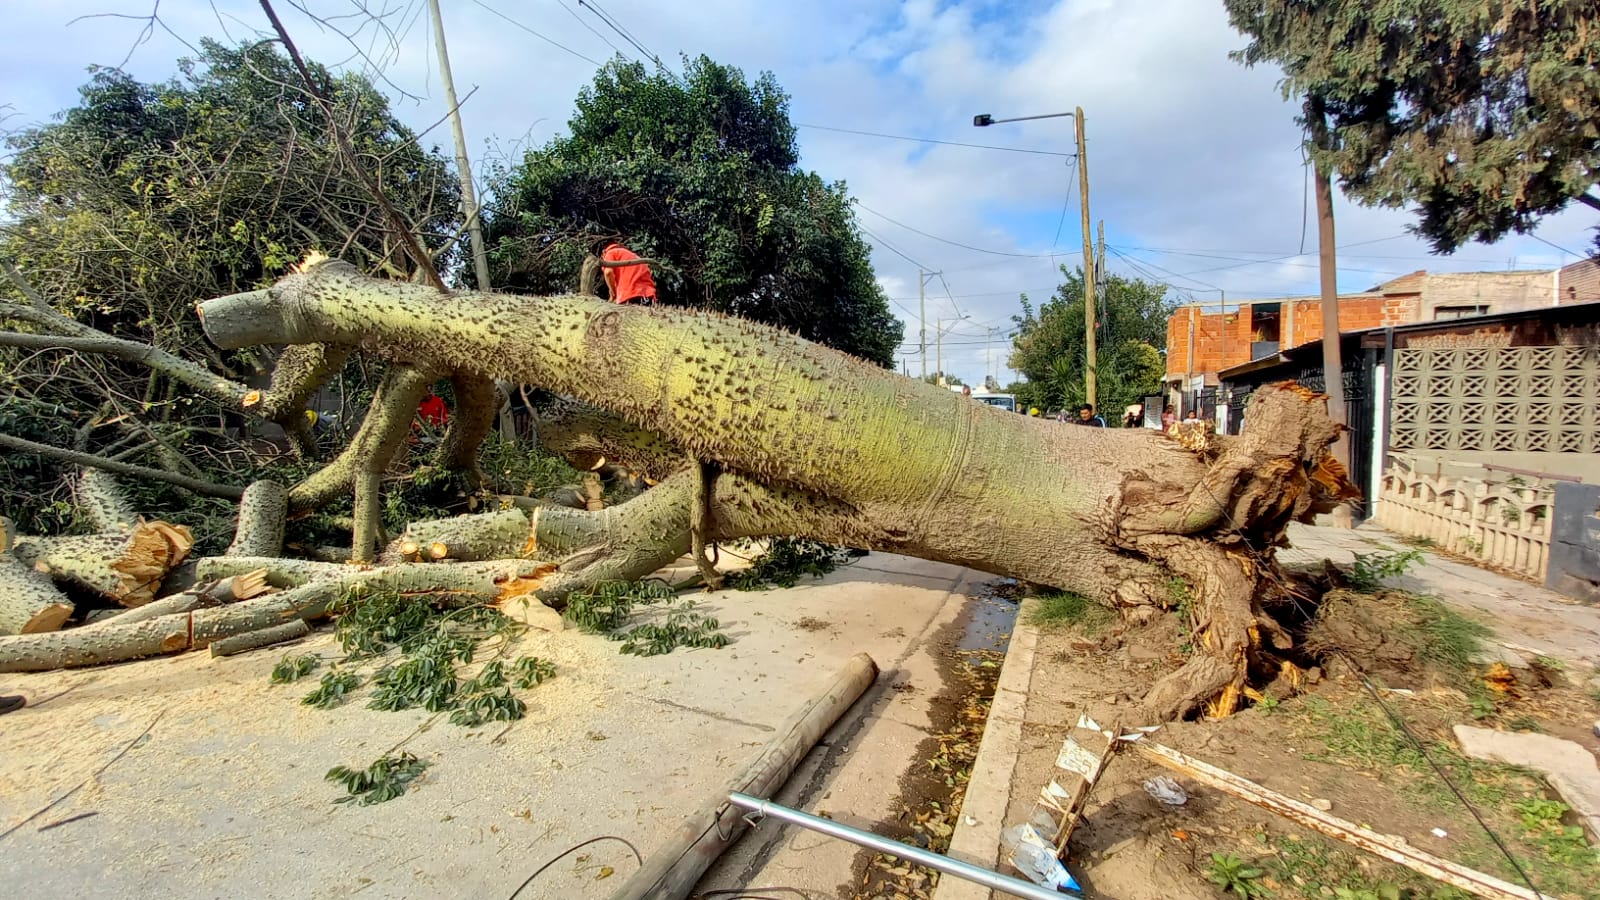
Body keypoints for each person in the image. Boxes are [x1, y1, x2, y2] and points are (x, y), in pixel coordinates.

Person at [601, 240, 658, 305]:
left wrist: (613, 293)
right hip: (649, 297)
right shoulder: (635, 257)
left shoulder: (610, 252)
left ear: (603, 252)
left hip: (630, 296)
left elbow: (608, 272)